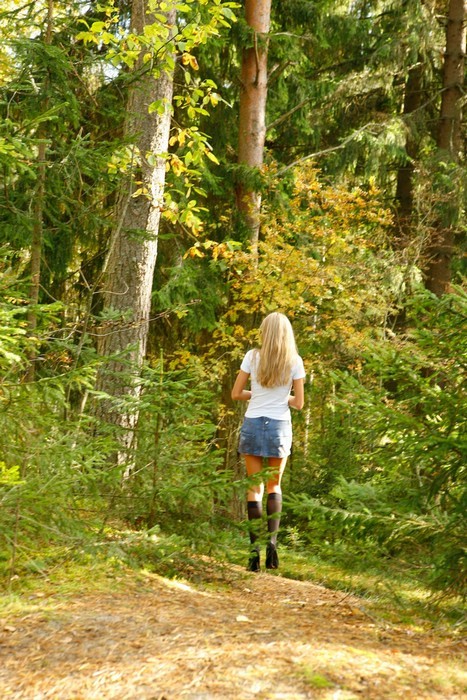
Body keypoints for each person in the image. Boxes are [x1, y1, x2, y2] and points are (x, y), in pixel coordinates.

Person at [231, 312, 305, 572]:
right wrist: (282, 397)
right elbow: (299, 403)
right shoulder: (294, 361)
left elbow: (236, 393)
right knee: (274, 486)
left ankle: (254, 553)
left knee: (254, 488)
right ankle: (273, 544)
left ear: (265, 332)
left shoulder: (252, 357)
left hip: (253, 422)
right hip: (279, 427)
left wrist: (258, 396)